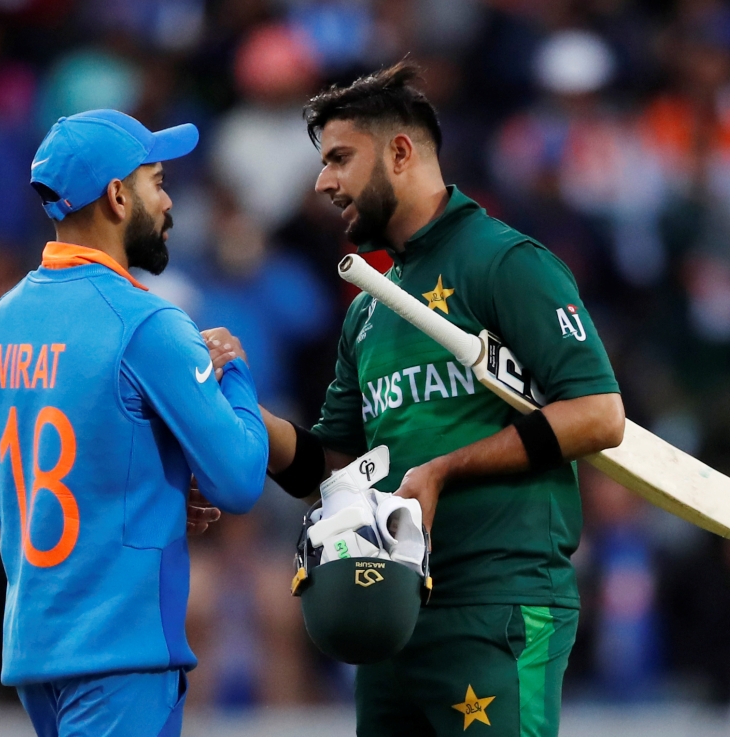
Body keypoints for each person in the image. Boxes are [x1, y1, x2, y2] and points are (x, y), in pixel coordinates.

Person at [221, 62, 625, 736]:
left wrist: (443, 470)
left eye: (340, 159)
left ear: (401, 152)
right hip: (393, 611)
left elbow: (597, 414)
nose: (323, 182)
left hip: (498, 606)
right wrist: (239, 418)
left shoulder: (505, 263)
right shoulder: (368, 311)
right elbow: (339, 463)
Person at [0, 109, 269, 737]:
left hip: (35, 656)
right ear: (118, 196)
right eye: (158, 180)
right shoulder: (148, 323)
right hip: (122, 655)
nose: (169, 200)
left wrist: (145, 490)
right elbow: (239, 480)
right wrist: (233, 370)